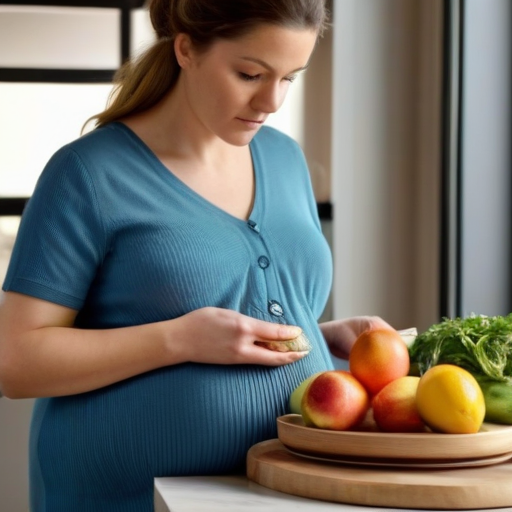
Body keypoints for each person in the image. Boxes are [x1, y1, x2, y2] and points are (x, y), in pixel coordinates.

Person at [0, 0, 392, 510]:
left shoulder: (284, 157)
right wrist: (178, 339)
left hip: (280, 494)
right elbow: (15, 362)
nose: (271, 100)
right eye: (250, 73)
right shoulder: (87, 175)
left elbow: (245, 308)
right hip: (128, 498)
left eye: (290, 77)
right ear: (186, 48)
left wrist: (320, 334)